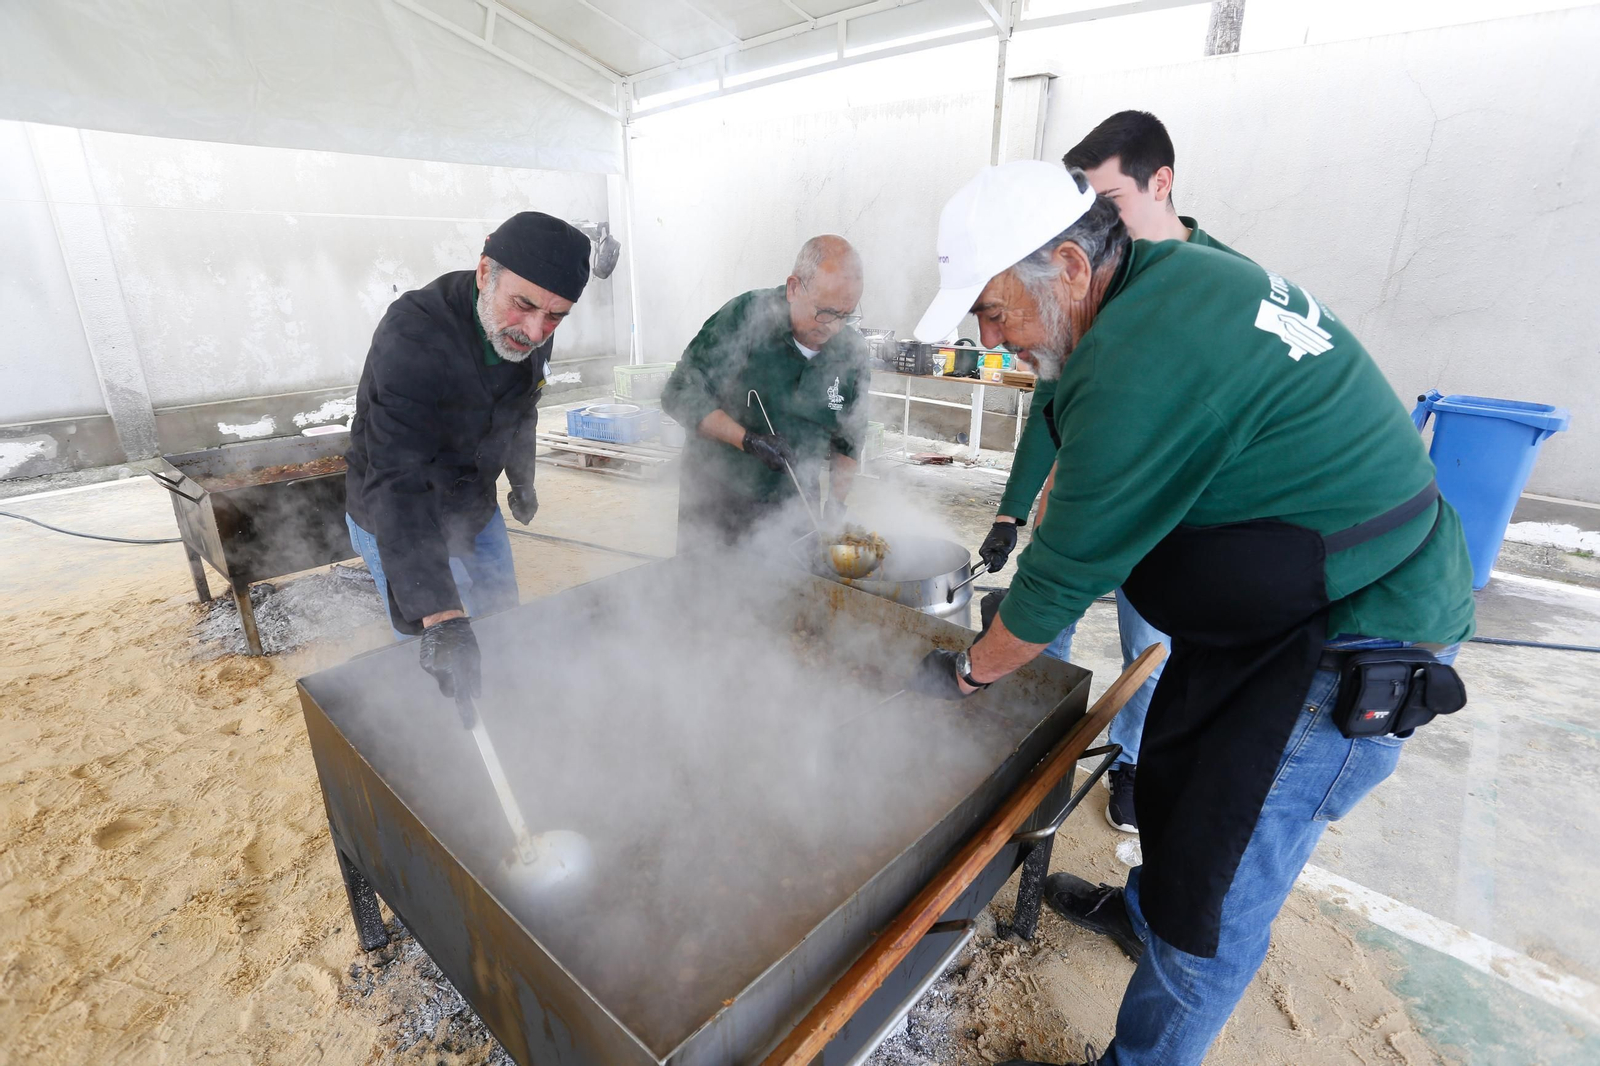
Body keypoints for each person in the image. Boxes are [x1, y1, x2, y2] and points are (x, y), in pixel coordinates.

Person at [907, 160, 1474, 1066]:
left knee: (1216, 896)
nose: (994, 340)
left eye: (993, 310)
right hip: (1270, 615)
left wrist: (969, 672)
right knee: (1177, 779)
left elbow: (1057, 583)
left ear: (1067, 265)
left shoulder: (1138, 357)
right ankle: (1141, 909)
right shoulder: (1178, 273)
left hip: (1349, 635)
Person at [978, 111, 1247, 835]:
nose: (1094, 224)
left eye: (1106, 208)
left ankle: (1128, 762)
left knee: (1148, 648)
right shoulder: (1086, 301)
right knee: (1047, 625)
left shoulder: (1206, 288)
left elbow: (1072, 562)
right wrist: (1014, 508)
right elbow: (1053, 405)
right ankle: (1027, 746)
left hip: (1192, 531)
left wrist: (970, 671)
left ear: (1160, 186)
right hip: (1100, 505)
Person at [344, 211, 593, 699]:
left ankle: (509, 709)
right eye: (523, 305)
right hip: (397, 510)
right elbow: (395, 473)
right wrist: (441, 615)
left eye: (556, 316)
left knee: (504, 621)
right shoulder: (412, 334)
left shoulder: (534, 325)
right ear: (485, 274)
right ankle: (446, 737)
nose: (538, 331)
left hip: (473, 505)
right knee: (437, 649)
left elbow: (522, 411)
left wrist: (523, 481)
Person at [661, 236, 869, 548]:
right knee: (710, 591)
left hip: (796, 506)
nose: (834, 327)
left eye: (846, 315)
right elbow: (678, 392)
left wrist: (835, 508)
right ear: (794, 288)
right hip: (719, 498)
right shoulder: (745, 317)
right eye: (825, 312)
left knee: (795, 592)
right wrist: (749, 440)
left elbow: (848, 442)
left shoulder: (850, 352)